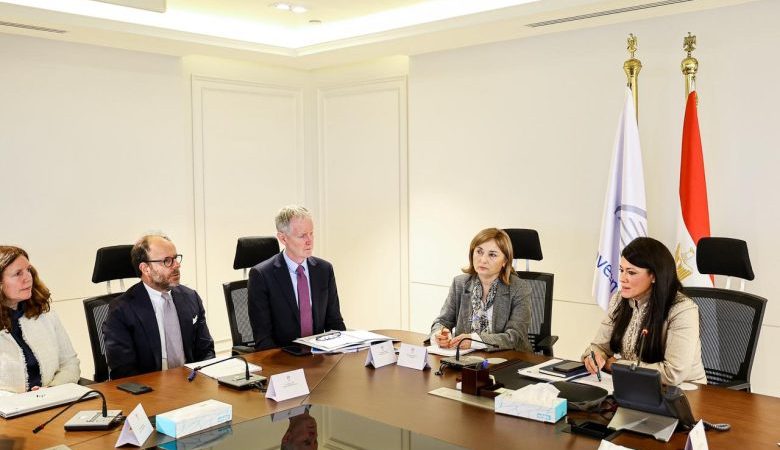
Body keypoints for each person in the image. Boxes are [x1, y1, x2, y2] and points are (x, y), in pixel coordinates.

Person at [583, 237, 706, 386]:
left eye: (631, 272)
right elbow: (599, 346)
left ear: (654, 276)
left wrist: (617, 365)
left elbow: (673, 374)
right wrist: (594, 357)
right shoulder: (619, 300)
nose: (622, 278)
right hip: (635, 385)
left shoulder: (682, 310)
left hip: (685, 391)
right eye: (621, 270)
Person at [103, 234, 215, 379]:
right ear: (145, 269)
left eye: (176, 258)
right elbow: (124, 371)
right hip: (150, 388)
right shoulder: (121, 310)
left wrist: (203, 380)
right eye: (167, 261)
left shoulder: (191, 297)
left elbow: (206, 351)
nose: (177, 265)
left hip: (190, 382)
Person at [248, 205, 346, 350]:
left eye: (311, 233)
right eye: (302, 236)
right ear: (283, 238)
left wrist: (345, 349)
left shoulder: (324, 270)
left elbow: (335, 322)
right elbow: (264, 339)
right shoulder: (261, 275)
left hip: (320, 356)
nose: (309, 240)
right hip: (283, 358)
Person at [430, 228, 532, 352]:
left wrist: (474, 341)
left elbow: (515, 337)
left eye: (492, 254)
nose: (483, 260)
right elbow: (442, 321)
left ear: (505, 261)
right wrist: (439, 334)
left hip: (508, 357)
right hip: (465, 357)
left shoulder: (519, 288)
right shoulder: (460, 283)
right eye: (479, 252)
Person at [0, 246, 80, 393]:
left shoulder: (45, 314)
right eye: (18, 273)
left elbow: (69, 363)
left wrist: (52, 390)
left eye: (28, 270)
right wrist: (19, 402)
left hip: (52, 399)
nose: (28, 278)